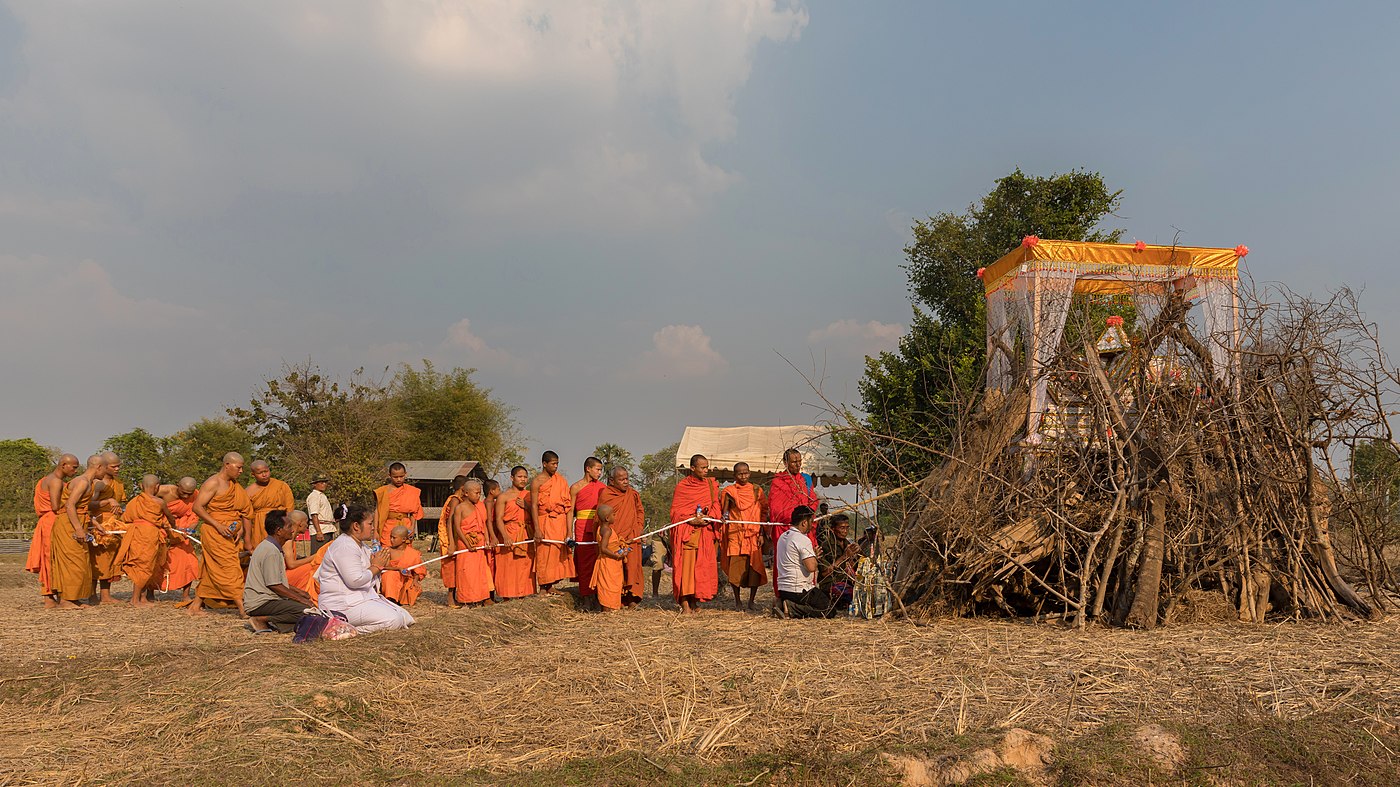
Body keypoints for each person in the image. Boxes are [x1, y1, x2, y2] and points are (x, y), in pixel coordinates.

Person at [315, 504, 415, 633]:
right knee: (394, 620)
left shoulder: (360, 545)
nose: (373, 528)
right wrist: (376, 566)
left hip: (360, 599)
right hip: (342, 605)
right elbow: (355, 580)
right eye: (370, 524)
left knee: (406, 618)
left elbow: (374, 568)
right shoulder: (345, 546)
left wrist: (380, 563)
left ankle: (345, 627)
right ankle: (341, 630)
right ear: (356, 526)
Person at [184, 452, 252, 616]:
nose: (241, 471)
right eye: (239, 467)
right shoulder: (213, 482)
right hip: (215, 533)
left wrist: (241, 529)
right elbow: (197, 507)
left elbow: (242, 510)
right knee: (231, 568)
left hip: (231, 533)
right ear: (227, 465)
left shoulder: (234, 485)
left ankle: (195, 606)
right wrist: (217, 525)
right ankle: (242, 607)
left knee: (211, 570)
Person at [244, 510, 315, 634]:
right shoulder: (270, 551)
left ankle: (275, 624)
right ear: (278, 531)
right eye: (288, 527)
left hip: (269, 599)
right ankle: (262, 619)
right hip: (261, 602)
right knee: (306, 610)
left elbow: (277, 581)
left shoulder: (273, 548)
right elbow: (274, 585)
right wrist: (300, 599)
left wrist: (300, 593)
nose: (292, 530)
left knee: (310, 613)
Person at [669, 454, 722, 613]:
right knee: (686, 568)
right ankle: (684, 602)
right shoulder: (683, 487)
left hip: (704, 533)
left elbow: (716, 505)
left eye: (707, 467)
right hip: (687, 533)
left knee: (700, 568)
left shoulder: (710, 486)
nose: (706, 470)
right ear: (692, 468)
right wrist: (692, 520)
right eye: (702, 467)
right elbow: (675, 513)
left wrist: (710, 516)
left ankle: (694, 601)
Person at [50, 455, 104, 608]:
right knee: (72, 561)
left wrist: (94, 523)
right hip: (68, 525)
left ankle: (74, 598)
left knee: (81, 561)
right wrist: (79, 529)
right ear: (98, 467)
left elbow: (82, 508)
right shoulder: (82, 482)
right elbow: (69, 505)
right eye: (104, 469)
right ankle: (65, 600)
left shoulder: (89, 483)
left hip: (78, 522)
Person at [27, 453, 79, 608]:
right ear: (63, 465)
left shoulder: (46, 479)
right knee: (53, 559)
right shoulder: (56, 482)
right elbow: (56, 507)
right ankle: (53, 597)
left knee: (51, 559)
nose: (75, 471)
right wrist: (75, 508)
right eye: (74, 467)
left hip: (47, 521)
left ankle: (52, 595)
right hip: (52, 521)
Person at [116, 474, 176, 606]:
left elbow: (125, 519)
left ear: (141, 486)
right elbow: (170, 518)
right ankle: (135, 599)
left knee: (144, 565)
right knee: (143, 566)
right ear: (157, 487)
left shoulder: (134, 501)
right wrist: (173, 527)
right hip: (148, 534)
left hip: (135, 533)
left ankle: (142, 598)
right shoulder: (159, 502)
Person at [768, 448, 821, 595]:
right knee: (786, 565)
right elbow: (776, 509)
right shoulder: (778, 482)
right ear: (785, 463)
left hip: (805, 528)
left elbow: (813, 500)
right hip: (786, 530)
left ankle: (807, 592)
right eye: (793, 462)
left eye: (799, 462)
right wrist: (798, 517)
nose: (797, 465)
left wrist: (807, 516)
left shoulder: (804, 480)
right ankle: (782, 597)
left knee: (807, 560)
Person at [720, 462, 768, 611]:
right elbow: (725, 512)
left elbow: (763, 512)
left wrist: (761, 533)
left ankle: (751, 601)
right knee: (735, 570)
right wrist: (724, 517)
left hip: (753, 535)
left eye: (746, 473)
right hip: (736, 535)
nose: (744, 476)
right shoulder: (729, 491)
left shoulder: (756, 490)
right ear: (735, 476)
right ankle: (738, 601)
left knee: (755, 569)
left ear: (750, 473)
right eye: (740, 474)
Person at [775, 506, 837, 618]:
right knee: (830, 610)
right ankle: (792, 608)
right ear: (804, 523)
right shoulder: (802, 539)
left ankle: (783, 603)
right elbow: (811, 567)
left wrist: (812, 556)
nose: (812, 525)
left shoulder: (783, 537)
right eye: (810, 522)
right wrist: (814, 559)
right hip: (799, 590)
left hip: (783, 589)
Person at [597, 466, 645, 606]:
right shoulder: (606, 494)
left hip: (632, 536)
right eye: (621, 479)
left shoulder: (633, 494)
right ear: (612, 481)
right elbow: (600, 518)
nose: (626, 482)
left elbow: (639, 512)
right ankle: (614, 598)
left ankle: (632, 598)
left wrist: (638, 529)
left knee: (632, 567)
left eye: (627, 478)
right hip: (613, 539)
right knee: (615, 570)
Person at [530, 451, 573, 593]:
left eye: (557, 464)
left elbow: (567, 507)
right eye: (553, 463)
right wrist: (537, 528)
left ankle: (551, 585)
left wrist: (569, 531)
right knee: (544, 554)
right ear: (544, 464)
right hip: (544, 521)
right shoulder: (536, 482)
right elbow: (534, 506)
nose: (555, 467)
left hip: (559, 521)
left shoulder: (561, 481)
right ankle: (543, 586)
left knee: (557, 553)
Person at [494, 466, 535, 600]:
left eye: (525, 477)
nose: (523, 480)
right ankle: (507, 596)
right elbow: (498, 519)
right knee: (508, 566)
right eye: (520, 477)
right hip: (509, 532)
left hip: (525, 534)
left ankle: (523, 595)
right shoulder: (503, 497)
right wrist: (505, 536)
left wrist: (526, 506)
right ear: (512, 478)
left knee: (525, 565)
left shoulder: (529, 495)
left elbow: (536, 514)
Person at [90, 452, 126, 604]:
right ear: (104, 466)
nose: (117, 469)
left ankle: (105, 596)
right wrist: (108, 501)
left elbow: (121, 503)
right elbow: (88, 505)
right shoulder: (96, 483)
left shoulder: (118, 483)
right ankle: (92, 595)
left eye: (119, 466)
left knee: (110, 561)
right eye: (113, 466)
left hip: (114, 525)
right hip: (99, 525)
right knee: (95, 562)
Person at [157, 477, 202, 599]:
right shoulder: (164, 490)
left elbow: (195, 514)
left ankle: (186, 595)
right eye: (183, 493)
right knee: (157, 561)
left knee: (189, 561)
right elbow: (146, 499)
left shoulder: (196, 495)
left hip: (183, 530)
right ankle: (149, 593)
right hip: (163, 528)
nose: (186, 497)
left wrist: (190, 529)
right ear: (178, 485)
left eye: (189, 494)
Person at [452, 480, 494, 606]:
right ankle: (468, 599)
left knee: (480, 572)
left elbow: (484, 524)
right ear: (466, 493)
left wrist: (487, 539)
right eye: (476, 493)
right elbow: (458, 528)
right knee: (467, 572)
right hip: (465, 543)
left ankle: (482, 597)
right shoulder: (459, 508)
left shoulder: (480, 506)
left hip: (480, 542)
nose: (478, 496)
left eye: (479, 493)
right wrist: (467, 544)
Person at [570, 457, 605, 607]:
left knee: (599, 561)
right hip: (582, 527)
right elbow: (570, 511)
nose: (599, 473)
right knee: (584, 563)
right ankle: (585, 597)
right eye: (597, 469)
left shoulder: (603, 487)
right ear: (588, 469)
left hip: (597, 526)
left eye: (600, 470)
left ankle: (598, 595)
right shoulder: (575, 487)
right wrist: (568, 532)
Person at [246, 460, 295, 554]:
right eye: (260, 473)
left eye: (266, 471)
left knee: (282, 553)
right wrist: (247, 539)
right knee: (262, 553)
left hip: (280, 523)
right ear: (253, 474)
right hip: (259, 526)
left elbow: (289, 508)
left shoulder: (282, 486)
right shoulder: (249, 491)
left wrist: (287, 526)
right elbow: (246, 516)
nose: (264, 475)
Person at [591, 503, 632, 611]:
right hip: (609, 561)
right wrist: (617, 556)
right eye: (613, 515)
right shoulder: (607, 530)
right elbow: (604, 548)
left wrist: (623, 543)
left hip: (609, 562)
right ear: (607, 518)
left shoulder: (602, 528)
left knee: (610, 585)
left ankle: (610, 608)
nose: (615, 516)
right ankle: (607, 610)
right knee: (609, 586)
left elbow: (612, 544)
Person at [816, 513, 859, 611]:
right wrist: (844, 557)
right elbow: (825, 573)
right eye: (842, 528)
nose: (845, 531)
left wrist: (857, 555)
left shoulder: (848, 544)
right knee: (850, 593)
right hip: (831, 584)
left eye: (847, 528)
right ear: (833, 529)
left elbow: (855, 568)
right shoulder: (826, 546)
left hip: (847, 582)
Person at [374, 462, 423, 548]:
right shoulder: (382, 491)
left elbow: (414, 512)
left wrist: (412, 527)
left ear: (405, 474)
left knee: (405, 552)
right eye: (395, 477)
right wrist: (375, 531)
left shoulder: (412, 491)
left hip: (405, 525)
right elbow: (377, 511)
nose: (399, 479)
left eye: (401, 476)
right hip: (388, 526)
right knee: (387, 551)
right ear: (389, 475)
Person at [437, 475, 469, 606]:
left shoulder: (459, 500)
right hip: (452, 538)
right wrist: (451, 542)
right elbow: (450, 521)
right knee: (451, 567)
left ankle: (458, 596)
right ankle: (450, 598)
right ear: (463, 488)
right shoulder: (455, 500)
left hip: (457, 537)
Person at [381, 525, 427, 606]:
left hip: (406, 579)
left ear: (404, 539)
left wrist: (415, 581)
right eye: (390, 537)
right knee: (390, 575)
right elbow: (383, 567)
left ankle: (400, 598)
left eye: (394, 538)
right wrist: (398, 569)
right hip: (391, 578)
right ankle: (390, 599)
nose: (391, 540)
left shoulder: (413, 553)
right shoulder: (388, 550)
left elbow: (417, 570)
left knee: (414, 589)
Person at [305, 475, 336, 549]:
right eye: (321, 483)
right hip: (320, 529)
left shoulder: (323, 496)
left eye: (325, 482)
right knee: (318, 555)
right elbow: (314, 515)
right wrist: (318, 531)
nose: (324, 484)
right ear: (314, 484)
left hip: (328, 528)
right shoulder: (314, 496)